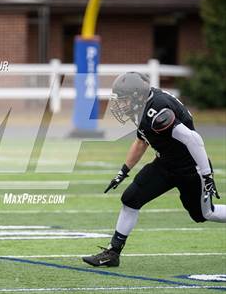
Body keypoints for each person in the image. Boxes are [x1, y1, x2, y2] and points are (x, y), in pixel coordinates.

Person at [82, 72, 226, 267]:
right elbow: (142, 140)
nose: (120, 105)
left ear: (137, 96)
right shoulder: (142, 106)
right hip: (165, 163)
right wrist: (124, 170)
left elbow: (193, 139)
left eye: (124, 100)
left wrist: (206, 174)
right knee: (130, 199)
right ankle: (113, 253)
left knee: (204, 214)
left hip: (190, 168)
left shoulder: (157, 110)